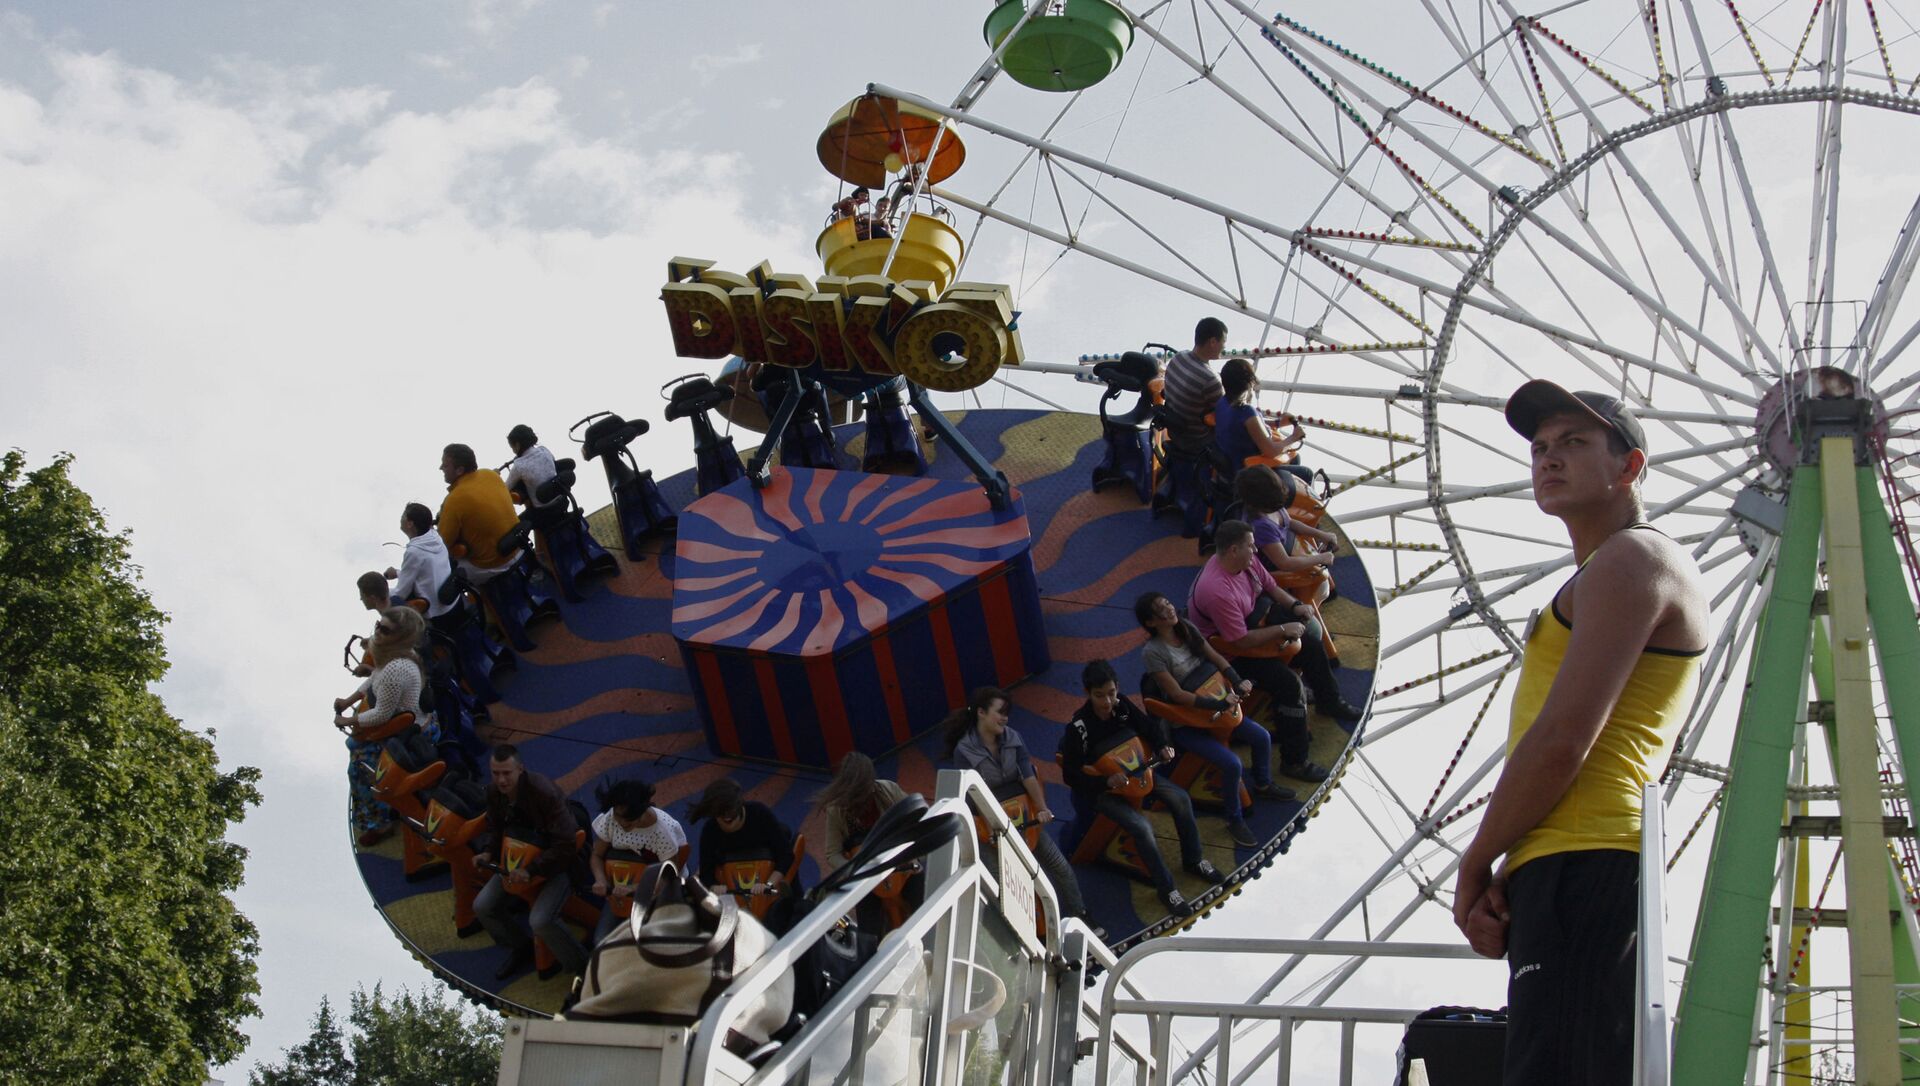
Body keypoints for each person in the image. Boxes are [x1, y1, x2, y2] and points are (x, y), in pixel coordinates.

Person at [1452, 381, 1706, 1085]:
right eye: (1539, 447)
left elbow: (1564, 739)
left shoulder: (1634, 561)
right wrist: (1513, 860)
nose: (1548, 458)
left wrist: (1475, 863)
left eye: (1574, 442)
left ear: (1629, 467)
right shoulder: (1609, 570)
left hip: (1588, 864)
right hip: (1564, 864)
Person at [1188, 520, 1358, 780]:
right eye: (1250, 546)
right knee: (1289, 685)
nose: (1256, 550)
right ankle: (1294, 761)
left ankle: (1329, 701)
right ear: (1233, 550)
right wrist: (1282, 630)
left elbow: (1270, 587)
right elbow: (1240, 641)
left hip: (1255, 621)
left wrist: (1295, 607)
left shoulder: (1244, 562)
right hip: (1230, 652)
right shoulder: (1217, 591)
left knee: (1312, 644)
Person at [1059, 660, 1224, 914]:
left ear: (1118, 688)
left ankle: (1194, 860)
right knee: (1142, 827)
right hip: (1104, 791)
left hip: (1136, 774)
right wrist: (1104, 781)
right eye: (1099, 695)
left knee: (1180, 799)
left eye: (1111, 693)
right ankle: (1166, 888)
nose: (1107, 701)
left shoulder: (1122, 706)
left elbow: (1148, 728)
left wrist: (1161, 746)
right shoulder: (1078, 728)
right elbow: (1070, 774)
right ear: (1087, 694)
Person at [1135, 592, 1294, 847]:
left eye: (1167, 603)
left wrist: (1236, 679)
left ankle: (1264, 784)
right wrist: (1217, 704)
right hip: (1188, 720)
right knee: (1231, 765)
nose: (1168, 610)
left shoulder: (1186, 628)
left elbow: (1215, 657)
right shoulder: (1153, 653)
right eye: (1159, 610)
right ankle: (1234, 819)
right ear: (1151, 623)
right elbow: (1177, 694)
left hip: (1219, 705)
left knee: (1261, 737)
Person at [940, 687, 1097, 929]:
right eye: (1000, 713)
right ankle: (1022, 931)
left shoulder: (1012, 737)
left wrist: (1042, 808)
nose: (1005, 718)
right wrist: (990, 830)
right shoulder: (964, 751)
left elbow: (1028, 775)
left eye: (1007, 713)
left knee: (1059, 866)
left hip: (1024, 816)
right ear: (981, 713)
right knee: (1003, 884)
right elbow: (973, 797)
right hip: (992, 824)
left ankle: (1081, 913)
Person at [473, 745, 588, 979]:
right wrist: (487, 852)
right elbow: (495, 827)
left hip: (557, 865)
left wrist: (532, 869)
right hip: (517, 861)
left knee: (541, 920)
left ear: (520, 770)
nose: (501, 780)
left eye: (507, 773)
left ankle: (582, 968)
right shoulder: (495, 793)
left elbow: (566, 844)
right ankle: (521, 947)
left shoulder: (544, 793)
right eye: (495, 773)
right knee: (482, 906)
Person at [333, 606, 437, 846]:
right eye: (378, 626)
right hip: (404, 722)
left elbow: (381, 714)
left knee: (358, 764)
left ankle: (379, 823)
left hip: (407, 734)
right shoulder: (396, 656)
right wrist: (350, 700)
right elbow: (374, 678)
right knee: (356, 744)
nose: (377, 633)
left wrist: (350, 720)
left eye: (385, 630)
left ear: (399, 637)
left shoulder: (396, 668)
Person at [588, 777, 688, 945]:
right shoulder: (611, 819)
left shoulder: (663, 833)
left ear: (641, 812)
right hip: (620, 885)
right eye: (616, 816)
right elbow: (596, 855)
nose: (619, 823)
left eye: (626, 820)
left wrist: (633, 888)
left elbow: (668, 877)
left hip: (654, 889)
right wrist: (600, 880)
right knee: (601, 941)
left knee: (648, 944)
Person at [688, 778, 797, 897]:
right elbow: (706, 872)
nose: (726, 818)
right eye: (720, 814)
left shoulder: (759, 813)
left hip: (766, 874)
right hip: (732, 884)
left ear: (739, 805)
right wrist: (714, 887)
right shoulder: (710, 829)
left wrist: (769, 884)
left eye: (730, 813)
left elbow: (786, 855)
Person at [1213, 357, 1309, 484]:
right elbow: (1271, 451)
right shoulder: (1246, 411)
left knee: (1295, 460)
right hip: (1249, 473)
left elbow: (1248, 426)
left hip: (1230, 464)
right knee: (1307, 473)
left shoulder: (1222, 402)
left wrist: (1277, 423)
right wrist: (1294, 437)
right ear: (1249, 383)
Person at [1232, 467, 1338, 581]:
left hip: (1282, 543)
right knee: (1314, 573)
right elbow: (1284, 563)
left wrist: (1321, 535)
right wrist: (1320, 559)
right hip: (1272, 563)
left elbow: (1290, 522)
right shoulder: (1261, 526)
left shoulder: (1270, 504)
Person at [436, 442, 521, 583]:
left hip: (494, 564)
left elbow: (442, 545)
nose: (441, 468)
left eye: (445, 466)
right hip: (518, 547)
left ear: (459, 470)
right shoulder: (490, 474)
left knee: (448, 569)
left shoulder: (454, 500)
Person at [817, 751, 911, 872]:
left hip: (898, 860)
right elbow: (833, 854)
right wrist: (855, 871)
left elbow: (918, 820)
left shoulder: (890, 790)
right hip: (862, 868)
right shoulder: (835, 809)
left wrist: (908, 855)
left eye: (865, 793)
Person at [1162, 317, 1228, 457]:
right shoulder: (1210, 379)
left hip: (1174, 431)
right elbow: (1226, 414)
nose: (1224, 347)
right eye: (1223, 342)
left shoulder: (1179, 357)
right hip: (1196, 440)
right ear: (1212, 342)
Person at [384, 502, 454, 619]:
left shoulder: (414, 553)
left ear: (410, 524)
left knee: (394, 601)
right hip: (451, 600)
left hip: (435, 611)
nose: (400, 519)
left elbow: (401, 592)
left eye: (403, 516)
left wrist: (380, 592)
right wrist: (397, 573)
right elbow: (425, 574)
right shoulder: (434, 537)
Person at [503, 424, 559, 508]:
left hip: (543, 510)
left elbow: (505, 489)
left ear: (517, 445)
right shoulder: (544, 450)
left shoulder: (519, 466)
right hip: (561, 499)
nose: (513, 451)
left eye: (512, 447)